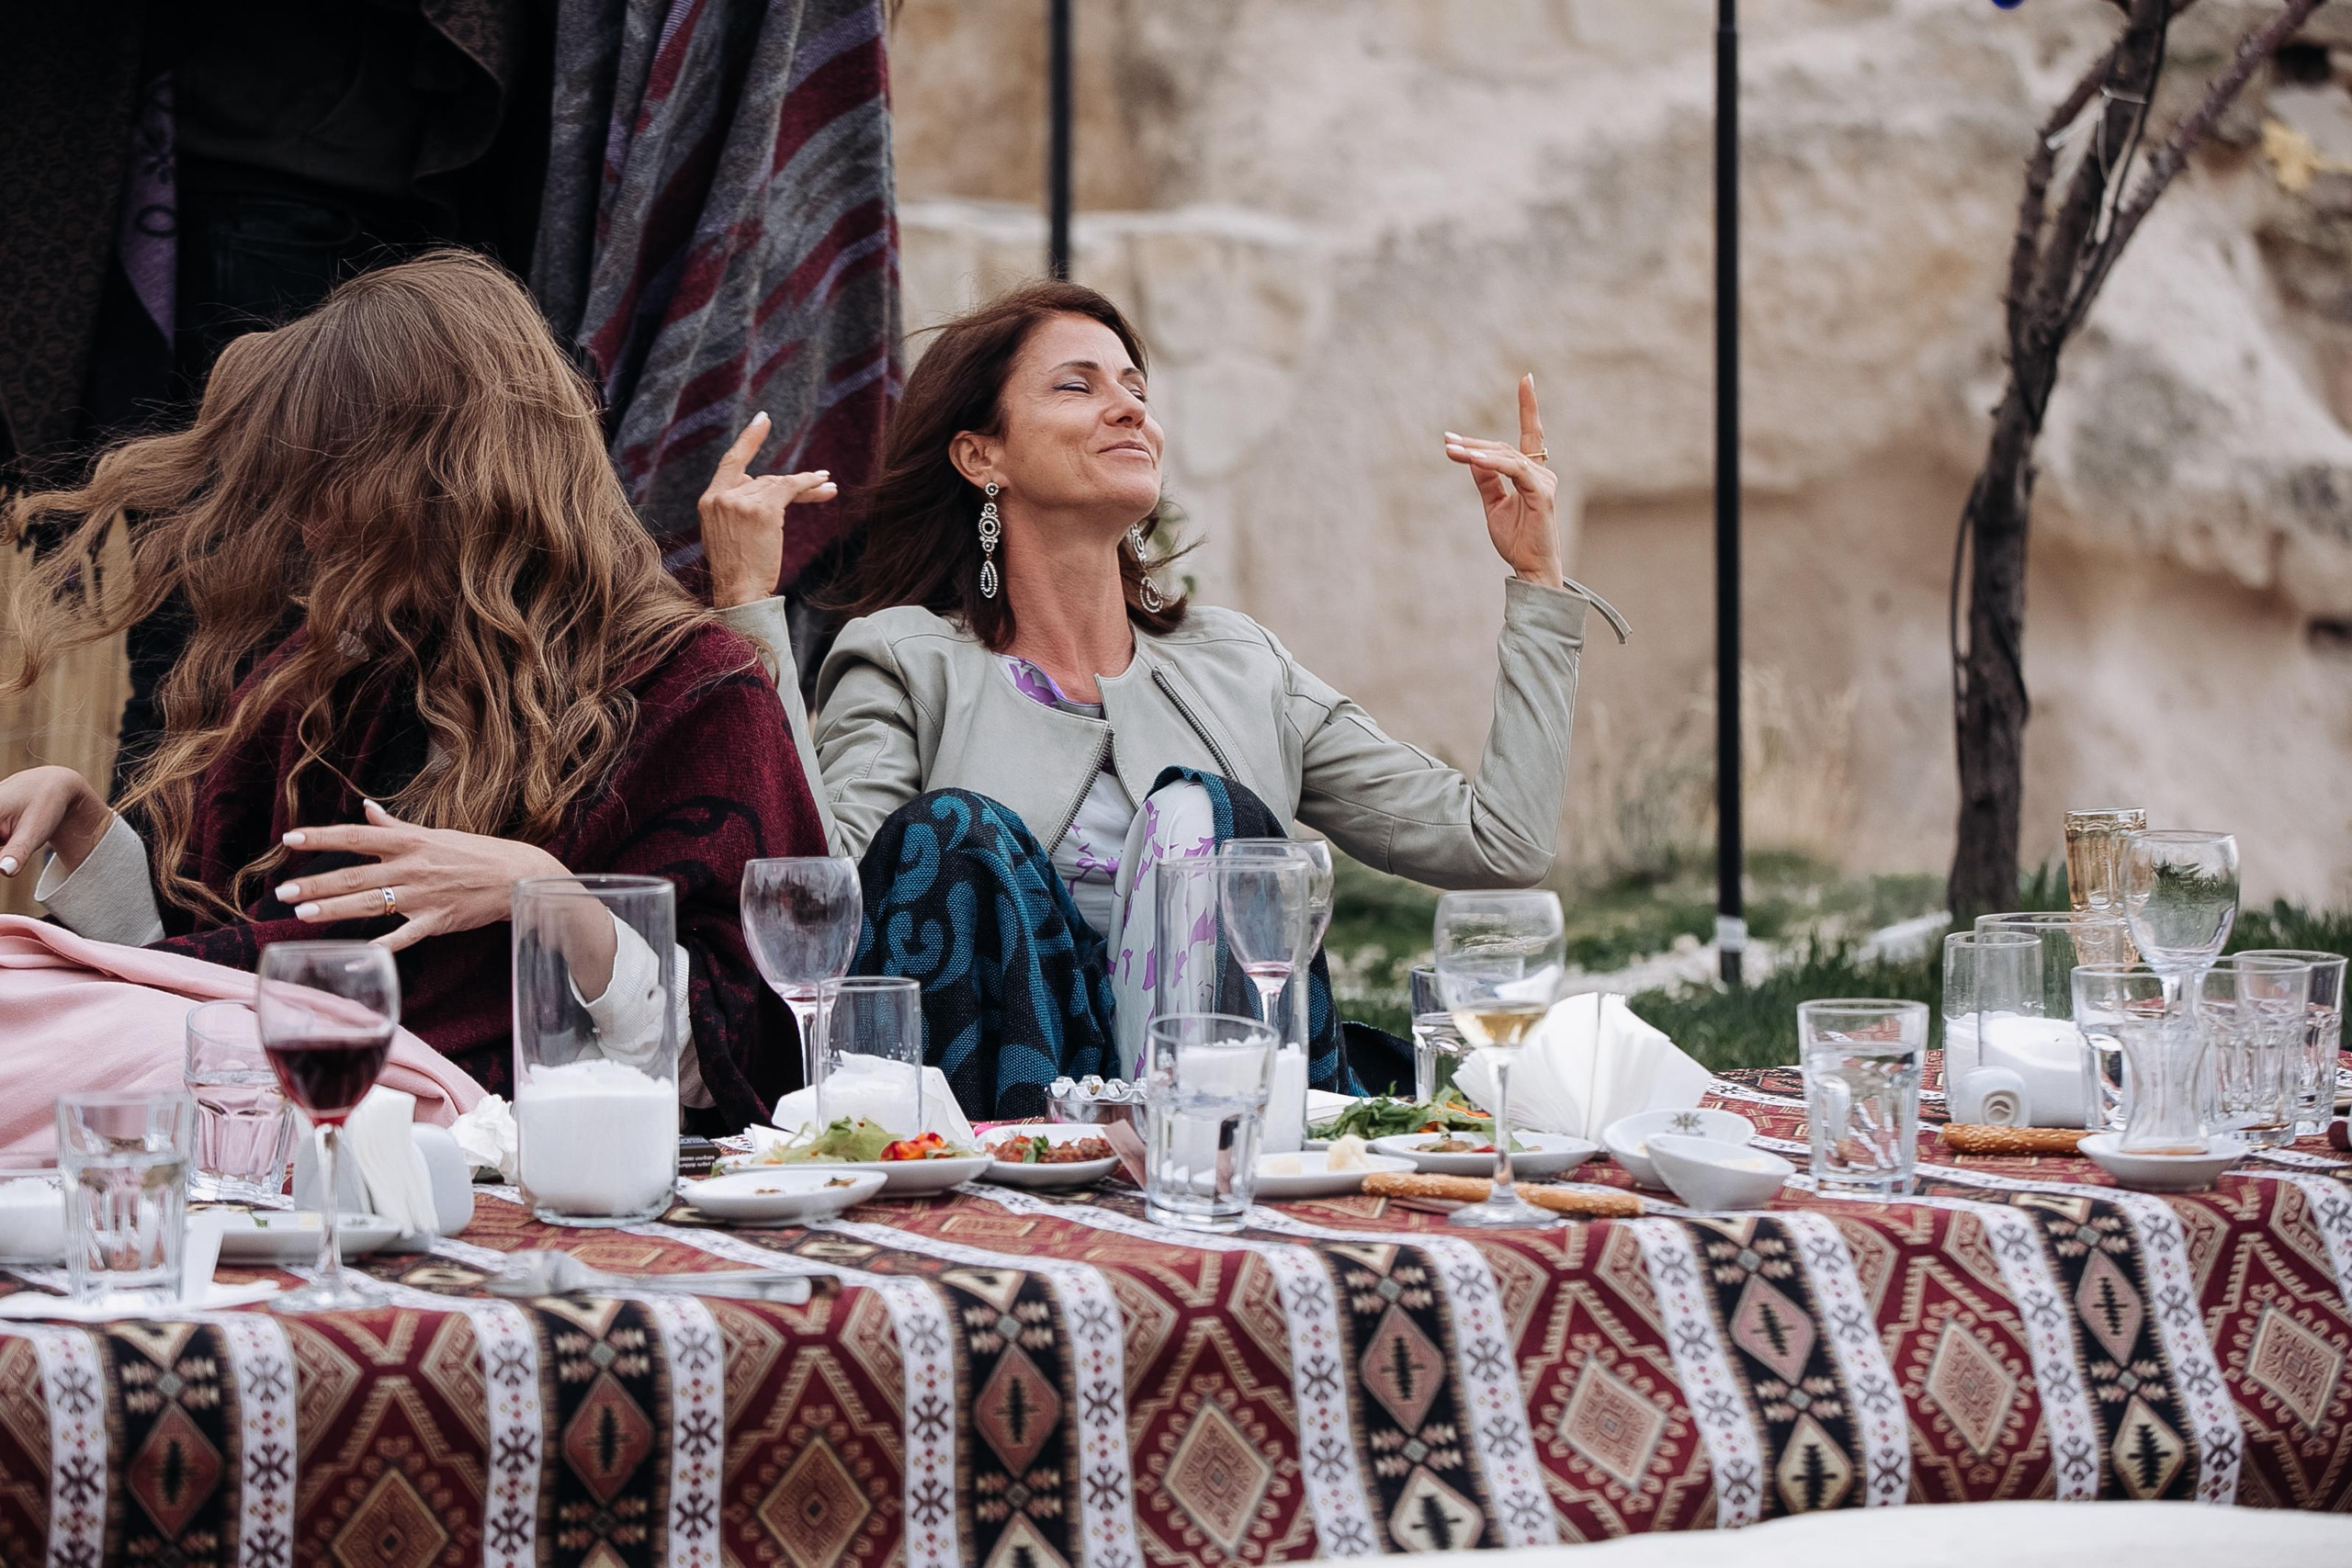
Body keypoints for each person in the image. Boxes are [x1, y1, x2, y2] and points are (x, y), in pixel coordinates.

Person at [700, 280, 1626, 1118]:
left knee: (1216, 818)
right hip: (997, 1118)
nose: (1127, 409)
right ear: (982, 456)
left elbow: (1500, 842)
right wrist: (747, 609)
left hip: (1233, 1109)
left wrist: (1538, 585)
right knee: (954, 832)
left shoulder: (1240, 665)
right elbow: (819, 906)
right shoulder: (903, 661)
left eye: (1136, 388)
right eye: (1078, 386)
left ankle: (1208, 1147)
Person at [0, 250, 826, 1131]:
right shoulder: (321, 682)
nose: (307, 525)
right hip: (273, 1112)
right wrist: (92, 838)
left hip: (522, 1142)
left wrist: (547, 895)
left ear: (449, 479)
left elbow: (751, 1065)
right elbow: (186, 980)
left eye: (330, 482)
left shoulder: (692, 688)